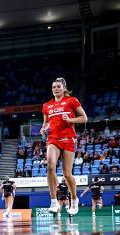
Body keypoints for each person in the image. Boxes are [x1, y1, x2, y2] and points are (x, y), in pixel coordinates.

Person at [40, 77, 88, 215]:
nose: (56, 89)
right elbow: (45, 123)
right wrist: (43, 129)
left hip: (68, 138)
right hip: (53, 139)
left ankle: (74, 199)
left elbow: (84, 118)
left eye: (58, 86)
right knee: (50, 165)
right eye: (54, 87)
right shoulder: (46, 105)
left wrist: (71, 119)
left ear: (64, 88)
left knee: (67, 174)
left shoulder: (72, 100)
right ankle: (53, 201)